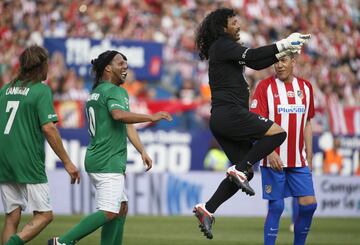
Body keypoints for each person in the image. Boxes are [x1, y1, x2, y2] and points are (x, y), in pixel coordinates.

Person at [192, 8, 311, 239]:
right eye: (234, 22)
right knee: (278, 133)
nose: (238, 25)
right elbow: (255, 57)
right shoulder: (222, 45)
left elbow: (256, 64)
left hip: (222, 118)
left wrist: (284, 49)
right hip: (230, 114)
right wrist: (283, 43)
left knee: (247, 170)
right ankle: (238, 169)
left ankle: (207, 209)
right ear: (222, 27)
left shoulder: (223, 48)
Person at [48, 50, 172, 245]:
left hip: (97, 157)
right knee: (109, 211)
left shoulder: (96, 92)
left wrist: (142, 151)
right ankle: (63, 241)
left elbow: (126, 124)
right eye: (120, 63)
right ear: (108, 68)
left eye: (126, 63)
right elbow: (119, 116)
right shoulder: (115, 91)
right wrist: (151, 116)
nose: (125, 67)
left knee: (121, 207)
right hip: (108, 159)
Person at [0, 45, 81, 245]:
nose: (49, 69)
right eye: (47, 64)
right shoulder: (41, 91)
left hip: (4, 158)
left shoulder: (5, 90)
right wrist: (68, 162)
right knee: (45, 215)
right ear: (40, 66)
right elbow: (49, 129)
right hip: (27, 159)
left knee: (12, 217)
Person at [251, 53, 317, 245]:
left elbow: (307, 123)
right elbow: (256, 124)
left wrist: (309, 156)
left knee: (309, 205)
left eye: (283, 61)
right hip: (274, 158)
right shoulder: (264, 87)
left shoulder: (305, 87)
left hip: (298, 159)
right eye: (275, 62)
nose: (278, 65)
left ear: (293, 62)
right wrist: (269, 152)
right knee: (277, 206)